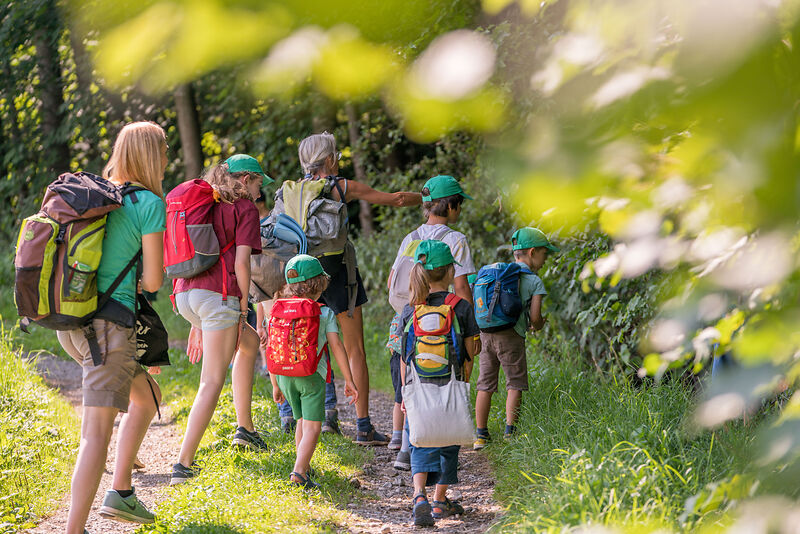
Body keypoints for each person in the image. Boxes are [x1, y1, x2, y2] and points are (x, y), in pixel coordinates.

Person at [56, 121, 167, 532]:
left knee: (148, 394)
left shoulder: (95, 196)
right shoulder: (149, 204)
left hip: (71, 321)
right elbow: (154, 282)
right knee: (95, 436)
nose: (168, 157)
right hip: (107, 329)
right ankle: (74, 529)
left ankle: (121, 493)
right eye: (164, 149)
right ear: (152, 156)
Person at [296, 132, 421, 445]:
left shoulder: (293, 191)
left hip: (302, 278)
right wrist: (427, 198)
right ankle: (363, 426)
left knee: (315, 345)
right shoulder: (341, 186)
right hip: (339, 275)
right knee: (354, 349)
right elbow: (395, 198)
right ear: (330, 159)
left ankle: (324, 417)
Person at [170, 154, 273, 485]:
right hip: (218, 297)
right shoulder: (244, 209)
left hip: (186, 293)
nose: (260, 193)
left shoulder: (206, 200)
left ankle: (245, 428)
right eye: (258, 185)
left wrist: (196, 320)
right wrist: (242, 308)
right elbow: (242, 264)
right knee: (211, 381)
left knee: (250, 343)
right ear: (245, 180)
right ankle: (183, 465)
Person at [387, 174, 477, 469]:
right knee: (439, 378)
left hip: (408, 319)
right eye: (459, 205)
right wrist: (473, 326)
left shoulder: (410, 239)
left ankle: (400, 440)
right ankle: (440, 440)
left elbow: (393, 281)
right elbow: (461, 289)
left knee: (410, 376)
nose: (460, 210)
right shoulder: (456, 240)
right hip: (445, 322)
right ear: (450, 206)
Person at [395, 240, 479, 526]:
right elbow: (470, 353)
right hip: (451, 383)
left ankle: (419, 495)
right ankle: (440, 501)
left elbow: (405, 358)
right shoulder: (462, 307)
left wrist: (405, 394)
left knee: (419, 439)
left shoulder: (410, 312)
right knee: (449, 439)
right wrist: (464, 379)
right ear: (450, 271)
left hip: (417, 385)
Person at [268, 255, 358, 488]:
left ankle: (304, 466)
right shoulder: (323, 312)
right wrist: (349, 379)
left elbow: (272, 347)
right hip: (310, 377)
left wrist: (275, 384)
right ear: (318, 285)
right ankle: (298, 473)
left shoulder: (277, 310)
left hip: (284, 376)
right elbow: (336, 346)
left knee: (301, 422)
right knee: (313, 426)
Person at [473, 227, 558, 449]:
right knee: (515, 383)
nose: (545, 259)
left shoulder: (499, 275)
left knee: (485, 384)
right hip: (511, 336)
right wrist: (539, 324)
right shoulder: (534, 281)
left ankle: (480, 435)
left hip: (486, 334)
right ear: (532, 252)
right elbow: (536, 317)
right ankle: (511, 433)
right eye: (544, 254)